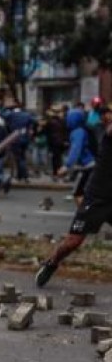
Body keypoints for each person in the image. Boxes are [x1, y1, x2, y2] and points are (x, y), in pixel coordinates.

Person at [36, 106, 112, 287]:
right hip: (98, 196)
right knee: (73, 241)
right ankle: (51, 263)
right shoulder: (108, 134)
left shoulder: (85, 130)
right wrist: (67, 165)